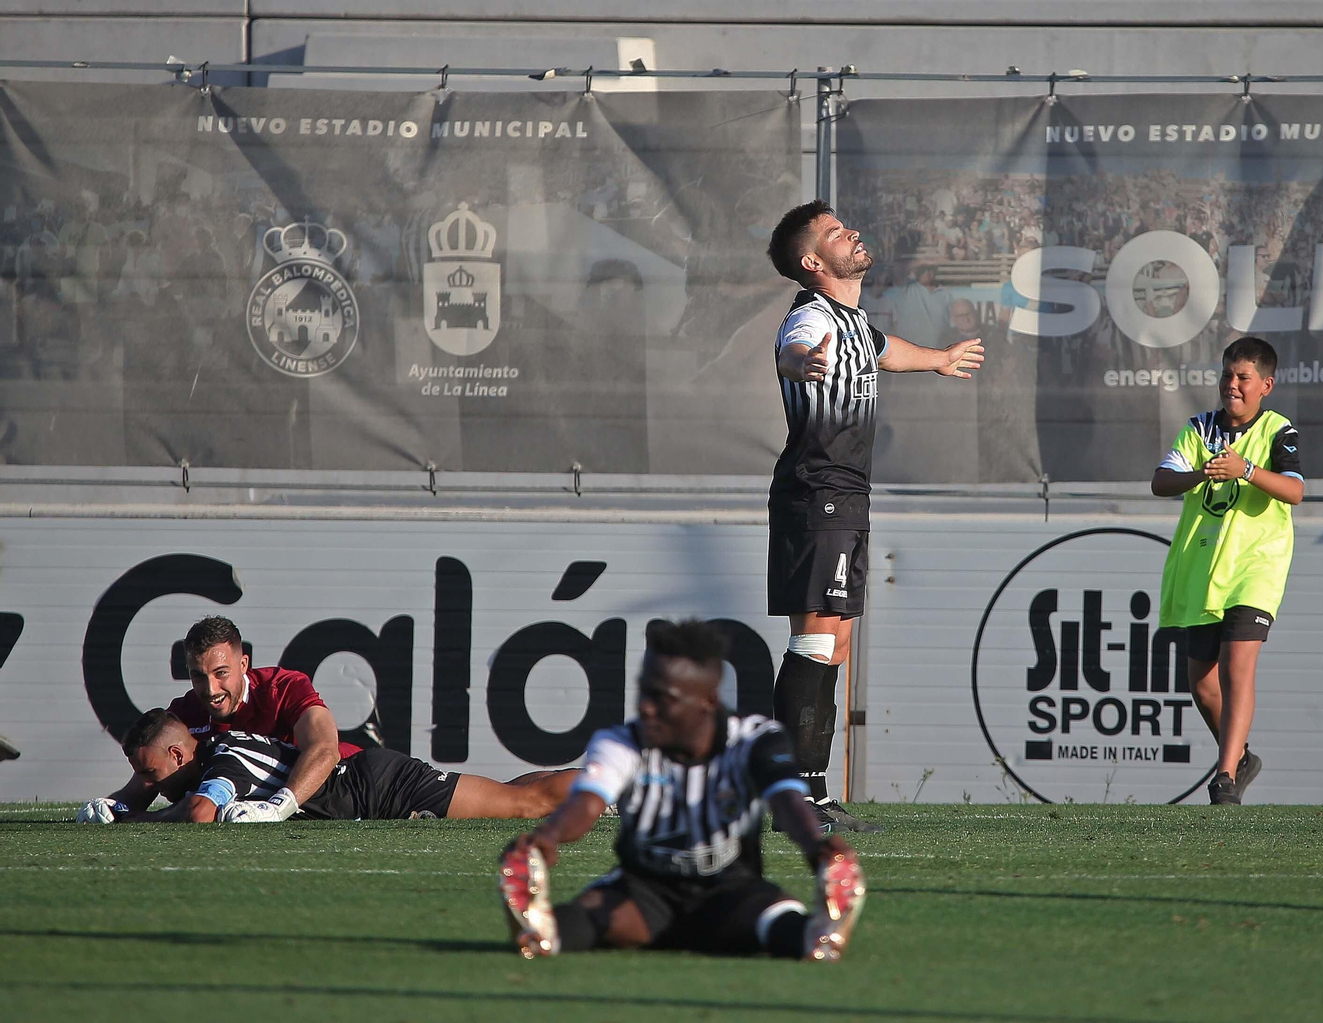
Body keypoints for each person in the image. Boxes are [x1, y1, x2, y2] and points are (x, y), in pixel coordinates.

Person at [762, 200, 984, 832]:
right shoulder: (811, 318)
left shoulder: (855, 322)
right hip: (817, 493)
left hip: (846, 495)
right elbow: (794, 350)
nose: (850, 233)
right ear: (813, 262)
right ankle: (798, 797)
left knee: (835, 642)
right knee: (816, 637)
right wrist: (798, 363)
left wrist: (938, 358)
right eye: (835, 233)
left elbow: (885, 350)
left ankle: (813, 793)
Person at [497, 619, 866, 961]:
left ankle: (818, 933)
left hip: (729, 891)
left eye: (663, 698)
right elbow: (586, 804)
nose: (646, 708)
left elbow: (786, 801)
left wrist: (815, 845)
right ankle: (542, 930)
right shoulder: (623, 741)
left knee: (774, 918)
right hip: (644, 893)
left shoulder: (753, 739)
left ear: (707, 702)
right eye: (644, 692)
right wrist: (549, 836)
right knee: (594, 913)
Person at [1150, 336, 1304, 805]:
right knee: (1202, 684)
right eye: (1227, 375)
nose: (1232, 385)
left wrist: (1246, 469)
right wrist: (1203, 473)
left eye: (1243, 378)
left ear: (1266, 386)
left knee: (1237, 667)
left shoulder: (1278, 429)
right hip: (1204, 571)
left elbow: (1294, 491)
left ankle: (1224, 779)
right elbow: (1161, 481)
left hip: (1255, 568)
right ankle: (1241, 756)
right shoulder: (1199, 429)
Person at [78, 615, 352, 824]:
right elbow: (150, 776)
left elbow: (325, 750)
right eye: (198, 676)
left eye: (221, 673)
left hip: (349, 787)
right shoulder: (184, 714)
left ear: (243, 665)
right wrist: (112, 808)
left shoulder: (283, 688)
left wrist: (277, 808)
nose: (210, 690)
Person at [100, 708, 575, 823]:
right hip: (370, 782)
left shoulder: (223, 762)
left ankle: (612, 779)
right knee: (507, 792)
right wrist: (117, 805)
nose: (149, 784)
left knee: (524, 804)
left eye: (151, 774)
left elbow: (201, 811)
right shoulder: (210, 746)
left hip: (381, 790)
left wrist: (133, 820)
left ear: (178, 755)